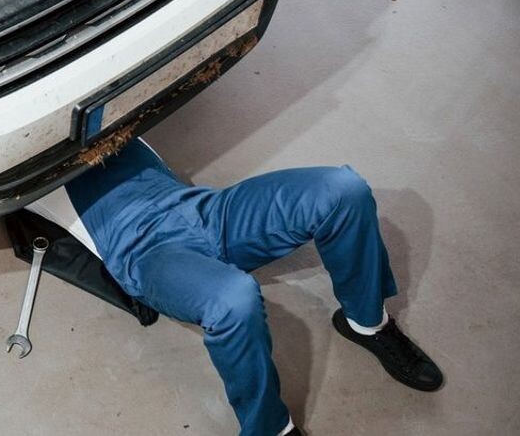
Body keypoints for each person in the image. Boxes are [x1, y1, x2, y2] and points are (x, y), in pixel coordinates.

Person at [25, 138, 443, 436]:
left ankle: (366, 323)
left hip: (206, 211)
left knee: (344, 190)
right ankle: (270, 429)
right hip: (150, 254)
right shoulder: (23, 152)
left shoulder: (101, 102)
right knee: (233, 299)